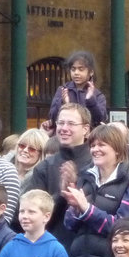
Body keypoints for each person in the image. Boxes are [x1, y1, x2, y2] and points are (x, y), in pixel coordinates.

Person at [63, 122, 129, 257]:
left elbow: (125, 228)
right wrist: (75, 208)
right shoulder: (85, 179)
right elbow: (69, 224)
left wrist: (87, 209)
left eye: (102, 145)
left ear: (117, 149)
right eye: (93, 145)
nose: (95, 149)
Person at [24, 103, 93, 245]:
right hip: (52, 248)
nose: (64, 128)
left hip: (88, 250)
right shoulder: (44, 167)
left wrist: (76, 187)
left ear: (85, 129)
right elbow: (31, 212)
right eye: (61, 123)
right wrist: (61, 195)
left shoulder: (96, 163)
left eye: (71, 124)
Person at [46, 50, 108, 130]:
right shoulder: (63, 90)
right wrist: (64, 104)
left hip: (88, 138)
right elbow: (53, 118)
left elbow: (99, 120)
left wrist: (90, 100)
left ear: (91, 72)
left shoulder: (98, 95)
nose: (76, 73)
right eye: (73, 69)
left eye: (81, 69)